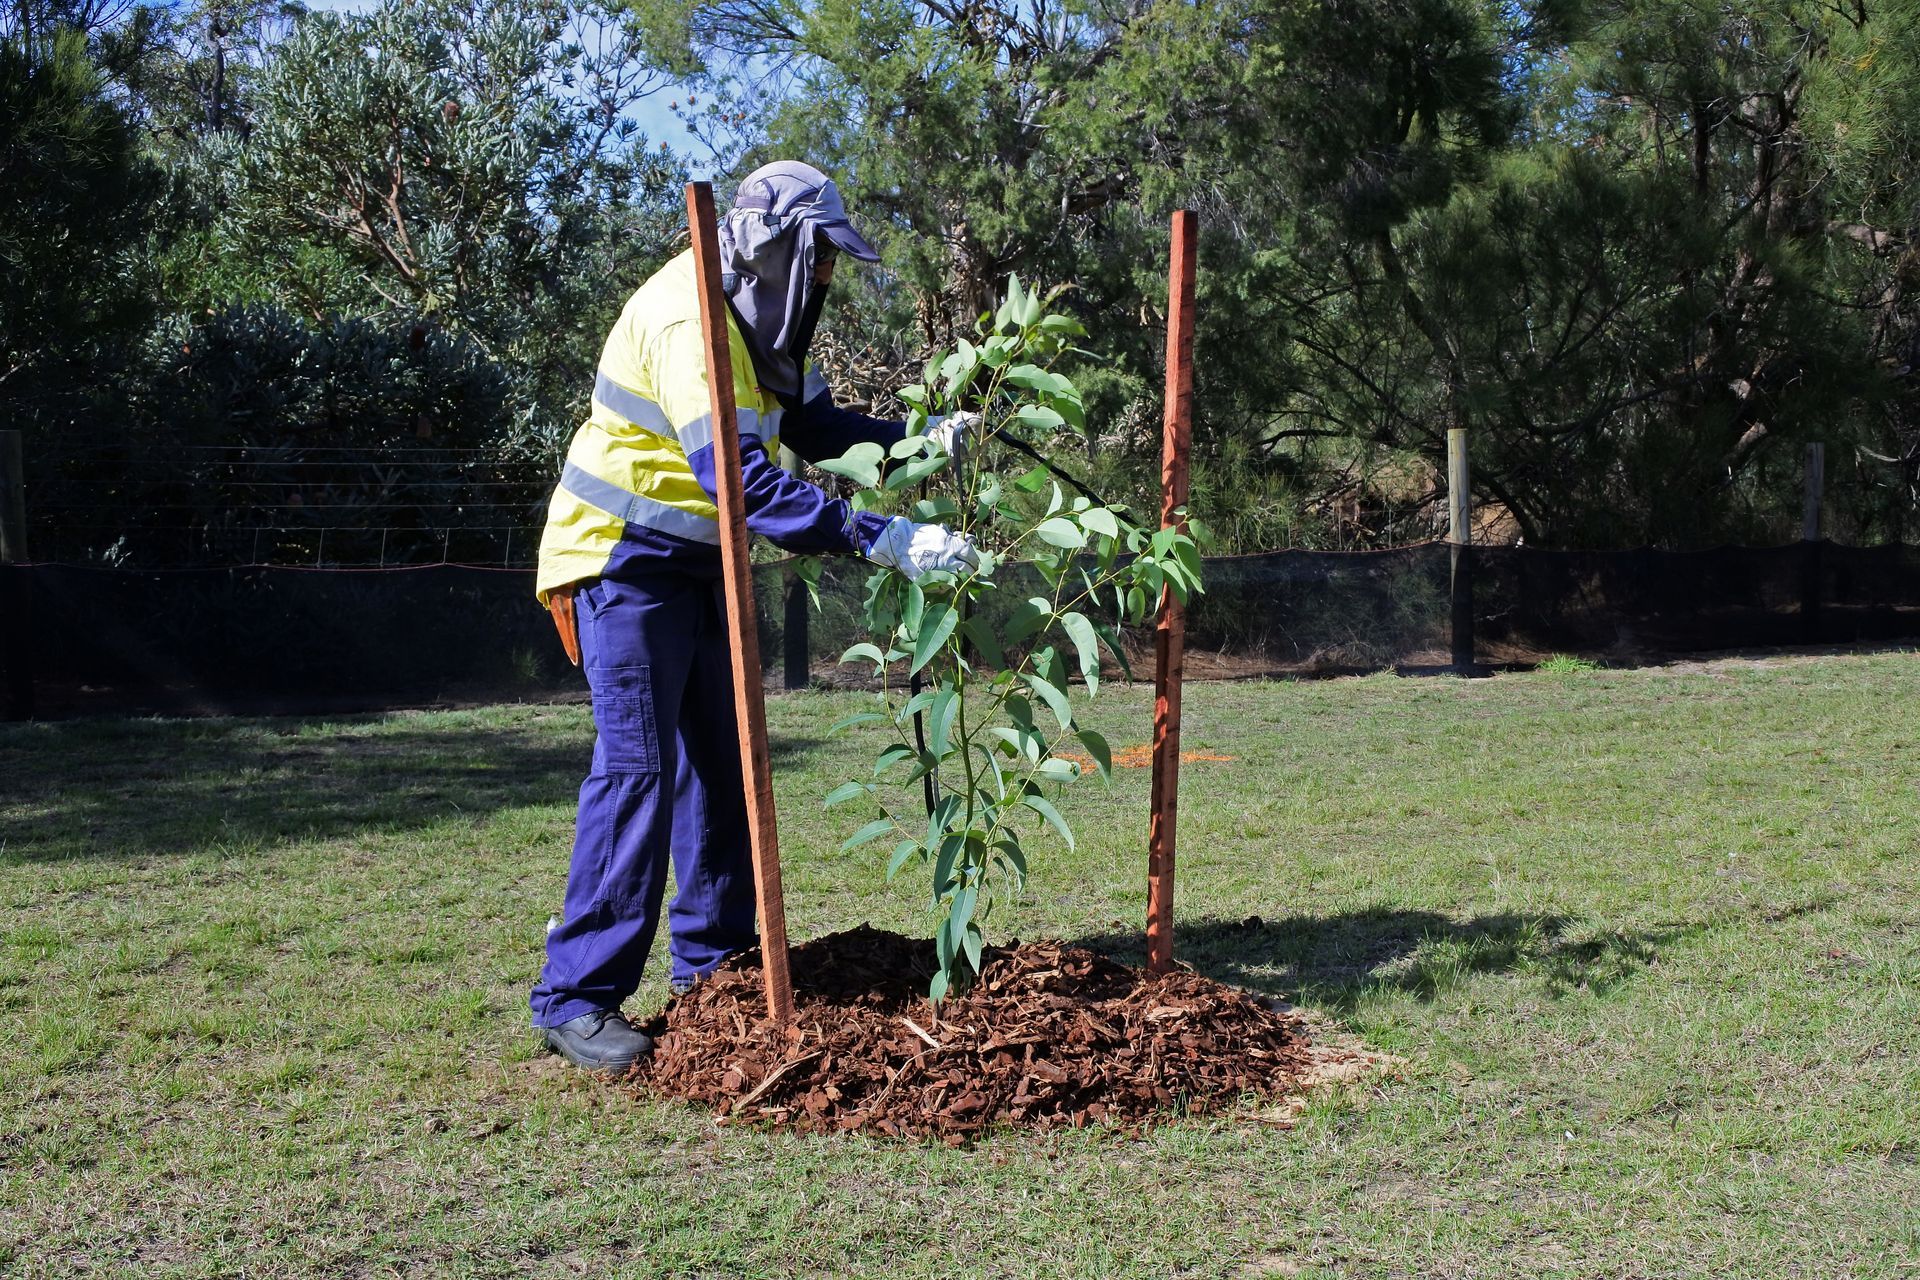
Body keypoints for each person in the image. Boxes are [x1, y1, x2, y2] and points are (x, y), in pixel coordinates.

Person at [529, 161, 981, 1072]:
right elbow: (739, 480)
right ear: (778, 246)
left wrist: (916, 440)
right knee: (642, 773)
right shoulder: (690, 319)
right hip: (618, 563)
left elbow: (815, 429)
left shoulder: (757, 328)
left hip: (695, 569)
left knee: (722, 766)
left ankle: (713, 971)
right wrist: (881, 537)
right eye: (819, 260)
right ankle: (575, 997)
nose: (824, 280)